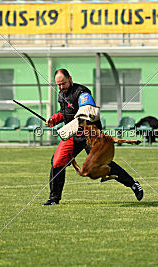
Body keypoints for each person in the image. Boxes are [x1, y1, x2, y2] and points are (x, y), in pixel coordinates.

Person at [42, 69, 144, 205]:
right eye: (58, 85)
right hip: (73, 135)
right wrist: (53, 119)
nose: (61, 87)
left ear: (70, 79)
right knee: (57, 162)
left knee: (104, 163)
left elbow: (87, 109)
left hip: (91, 135)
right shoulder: (61, 95)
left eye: (63, 84)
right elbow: (65, 112)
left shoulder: (83, 93)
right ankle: (54, 199)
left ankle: (132, 184)